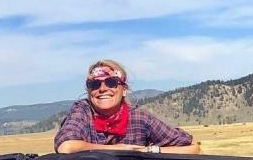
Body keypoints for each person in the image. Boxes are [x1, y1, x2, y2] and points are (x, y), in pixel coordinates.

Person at [54, 59, 201, 154]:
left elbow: (193, 149)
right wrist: (120, 150)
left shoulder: (139, 119)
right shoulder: (83, 111)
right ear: (89, 91)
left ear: (124, 90)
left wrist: (150, 150)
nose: (102, 89)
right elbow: (66, 146)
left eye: (111, 83)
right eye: (95, 84)